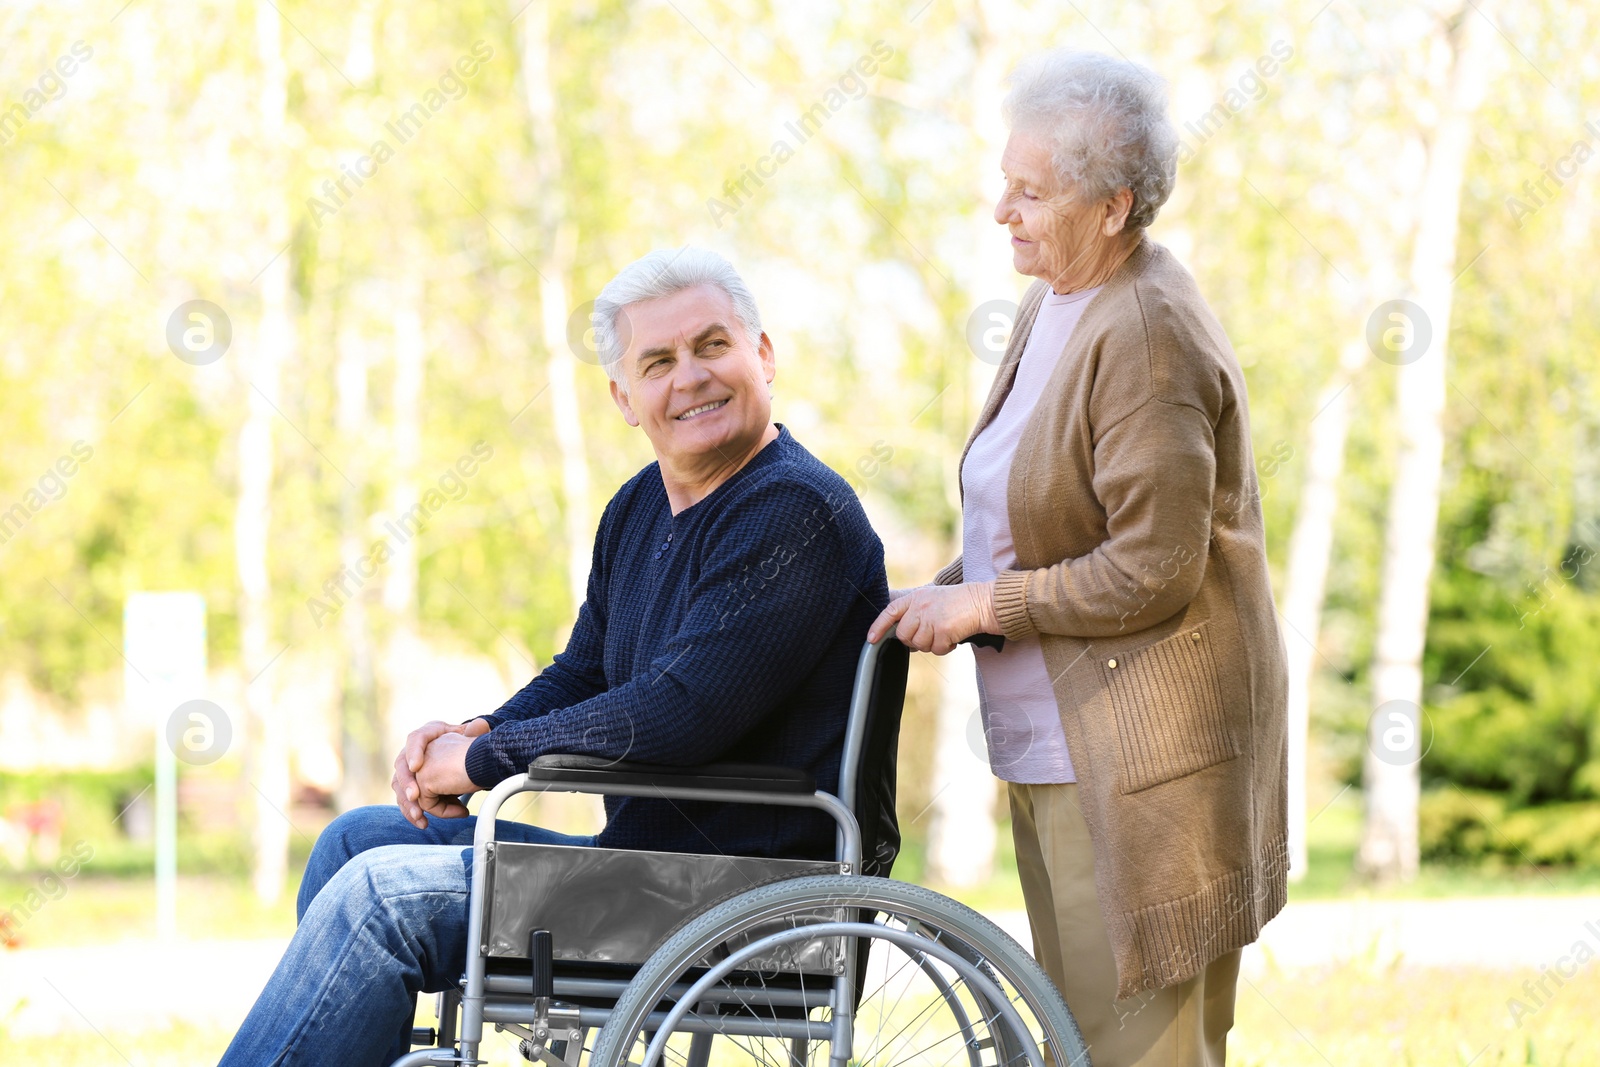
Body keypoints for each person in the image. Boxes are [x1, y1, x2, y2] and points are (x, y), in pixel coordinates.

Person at [220, 247, 888, 1067]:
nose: (691, 379)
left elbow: (677, 713)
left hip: (750, 902)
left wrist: (485, 759)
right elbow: (586, 670)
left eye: (713, 346)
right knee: (355, 841)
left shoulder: (793, 510)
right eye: (658, 362)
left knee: (379, 900)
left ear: (764, 356)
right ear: (623, 397)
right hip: (650, 875)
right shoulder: (641, 504)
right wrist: (475, 728)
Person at [868, 50, 1288, 1067]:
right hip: (1057, 736)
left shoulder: (1146, 328)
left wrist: (985, 605)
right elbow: (1030, 514)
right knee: (1075, 1037)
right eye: (1004, 181)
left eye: (1030, 191)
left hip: (1143, 752)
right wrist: (947, 588)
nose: (1001, 209)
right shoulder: (1056, 298)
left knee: (1138, 1044)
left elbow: (1155, 564)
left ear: (1113, 205)